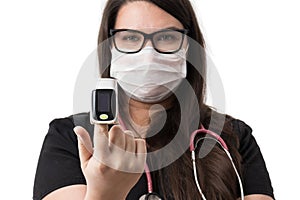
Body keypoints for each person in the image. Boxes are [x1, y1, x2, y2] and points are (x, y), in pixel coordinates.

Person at [33, 0, 274, 199]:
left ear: (188, 47)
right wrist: (105, 193)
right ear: (110, 47)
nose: (148, 55)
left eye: (167, 37)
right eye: (130, 38)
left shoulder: (232, 137)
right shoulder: (71, 138)